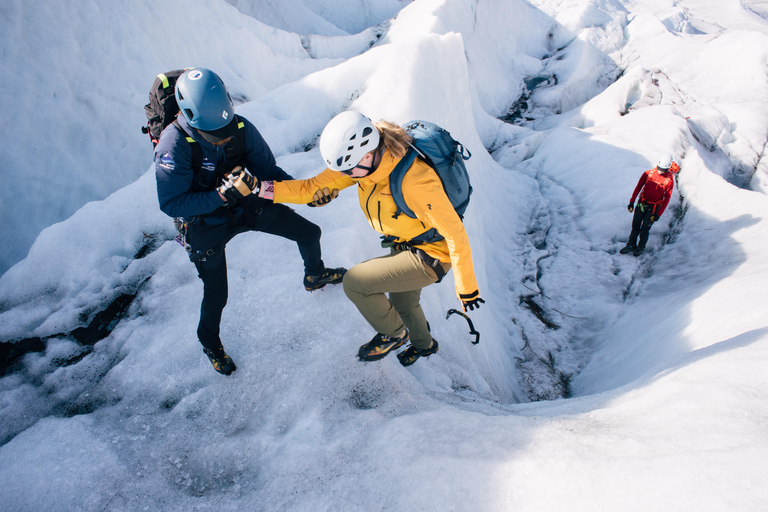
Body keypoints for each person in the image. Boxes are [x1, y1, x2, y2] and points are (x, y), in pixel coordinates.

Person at [252, 111, 484, 367]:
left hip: (432, 256)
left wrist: (467, 289)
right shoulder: (364, 162)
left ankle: (394, 335)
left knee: (355, 282)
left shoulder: (415, 181)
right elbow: (309, 188)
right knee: (404, 305)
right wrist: (258, 188)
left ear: (367, 153)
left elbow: (455, 234)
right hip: (404, 243)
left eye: (350, 169)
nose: (346, 175)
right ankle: (425, 346)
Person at [154, 68, 345, 375]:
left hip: (247, 205)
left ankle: (315, 275)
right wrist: (219, 196)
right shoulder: (173, 144)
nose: (223, 139)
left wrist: (306, 195)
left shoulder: (240, 127)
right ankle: (210, 343)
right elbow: (172, 203)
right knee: (217, 293)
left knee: (309, 233)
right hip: (205, 223)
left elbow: (269, 172)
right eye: (213, 136)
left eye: (226, 131)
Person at [619, 154, 679, 256]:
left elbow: (667, 198)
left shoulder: (669, 181)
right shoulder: (648, 174)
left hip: (653, 208)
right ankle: (631, 244)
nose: (660, 171)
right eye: (659, 168)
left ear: (668, 168)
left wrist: (658, 214)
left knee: (645, 229)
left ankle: (641, 246)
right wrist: (632, 202)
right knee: (635, 226)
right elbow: (638, 187)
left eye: (663, 170)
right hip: (641, 204)